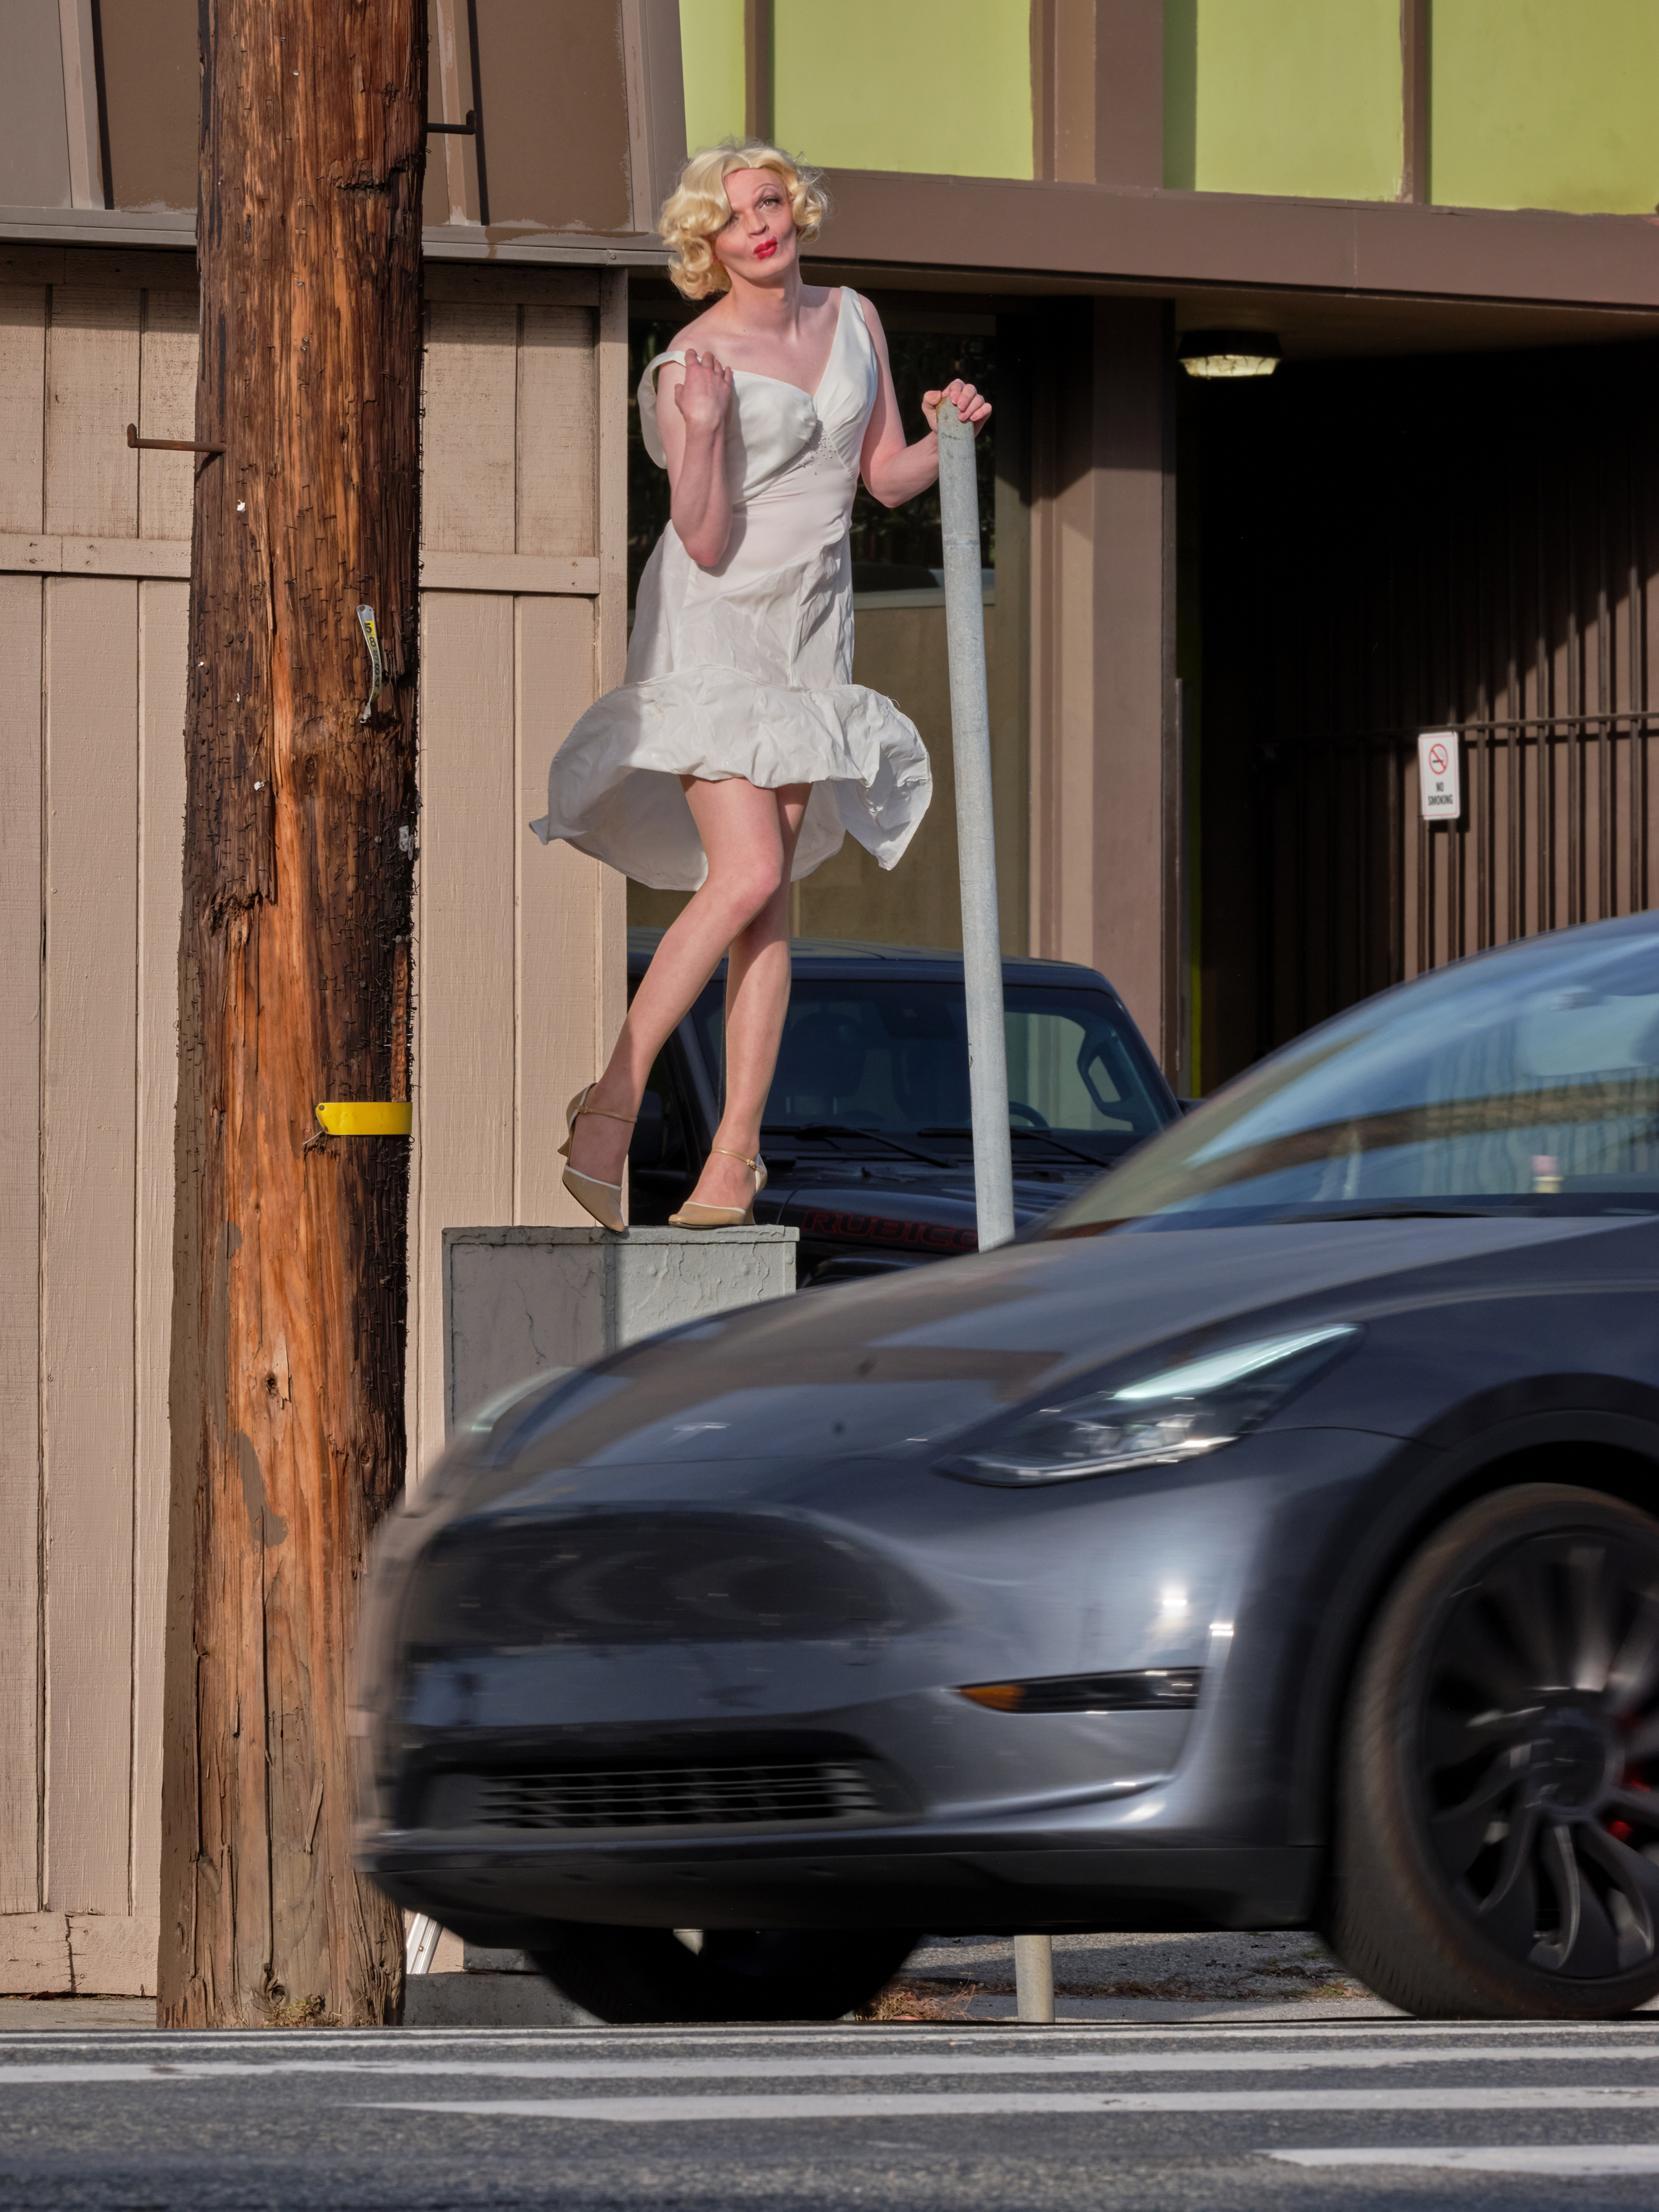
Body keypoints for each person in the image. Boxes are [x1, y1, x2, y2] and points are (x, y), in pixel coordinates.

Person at [531, 140, 990, 1232]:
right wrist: (696, 432)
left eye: (771, 203)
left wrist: (947, 438)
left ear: (797, 209)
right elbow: (701, 531)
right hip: (719, 622)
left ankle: (734, 1161)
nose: (761, 228)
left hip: (811, 634)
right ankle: (613, 1102)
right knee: (742, 877)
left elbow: (880, 477)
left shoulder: (857, 318)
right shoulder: (696, 355)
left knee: (772, 899)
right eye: (736, 218)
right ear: (710, 244)